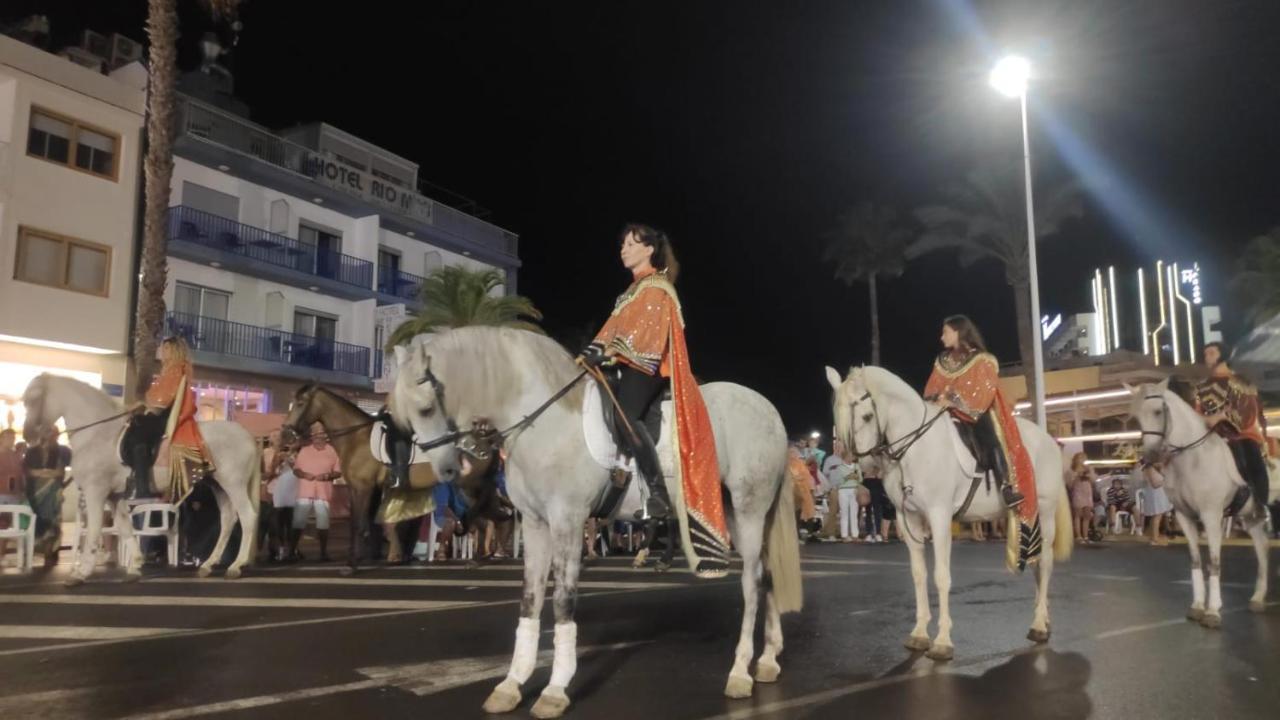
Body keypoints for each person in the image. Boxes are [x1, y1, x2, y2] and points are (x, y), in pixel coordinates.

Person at [576, 223, 730, 577]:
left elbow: (648, 333)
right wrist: (593, 351)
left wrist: (610, 350)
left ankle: (658, 495)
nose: (624, 249)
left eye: (631, 243)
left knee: (625, 417)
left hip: (644, 366)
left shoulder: (658, 287)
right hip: (622, 364)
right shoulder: (630, 292)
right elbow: (611, 329)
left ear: (649, 250)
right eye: (622, 244)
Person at [925, 315, 1040, 569]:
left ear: (958, 332)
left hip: (976, 412)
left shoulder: (983, 360)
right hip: (944, 413)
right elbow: (932, 388)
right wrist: (937, 400)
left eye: (946, 332)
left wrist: (954, 401)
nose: (941, 337)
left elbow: (983, 391)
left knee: (990, 438)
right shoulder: (942, 361)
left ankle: (1007, 486)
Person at [125, 336, 211, 499]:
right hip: (161, 414)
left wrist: (143, 405)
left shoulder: (175, 370)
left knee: (138, 433)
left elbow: (162, 401)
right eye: (163, 348)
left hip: (165, 417)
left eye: (167, 348)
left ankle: (142, 487)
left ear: (175, 351)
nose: (162, 351)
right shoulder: (170, 370)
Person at [1195, 342, 1269, 517]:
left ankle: (1260, 507)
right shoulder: (1202, 387)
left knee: (1255, 466)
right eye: (1206, 354)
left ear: (1223, 355)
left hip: (1248, 435)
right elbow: (1198, 417)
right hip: (1219, 437)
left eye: (1212, 353)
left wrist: (1263, 437)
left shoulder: (1244, 382)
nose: (1207, 357)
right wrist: (1214, 418)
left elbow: (1256, 412)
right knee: (1240, 462)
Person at [289, 423, 341, 562]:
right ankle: (291, 551)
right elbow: (296, 469)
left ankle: (323, 553)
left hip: (323, 492)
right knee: (298, 523)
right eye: (315, 434)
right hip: (304, 491)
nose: (318, 437)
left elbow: (338, 472)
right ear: (312, 437)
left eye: (320, 434)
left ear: (325, 435)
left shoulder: (333, 451)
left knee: (323, 524)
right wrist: (304, 475)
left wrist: (326, 476)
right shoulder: (304, 450)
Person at [23, 425, 71, 563]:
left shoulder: (62, 450)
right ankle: (38, 549)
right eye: (47, 433)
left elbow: (60, 471)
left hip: (54, 493)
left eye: (53, 433)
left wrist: (46, 474)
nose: (50, 436)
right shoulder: (32, 451)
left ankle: (52, 551)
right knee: (38, 520)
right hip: (36, 494)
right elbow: (28, 471)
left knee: (54, 521)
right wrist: (47, 474)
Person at [1140, 461, 1173, 546]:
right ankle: (1154, 539)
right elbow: (1155, 484)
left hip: (1157, 494)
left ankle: (1153, 537)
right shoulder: (1150, 469)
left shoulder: (1151, 469)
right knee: (1157, 516)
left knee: (1156, 516)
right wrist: (1165, 480)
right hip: (1156, 494)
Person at [1066, 452, 1096, 543]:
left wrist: (1089, 475)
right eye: (1080, 458)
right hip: (1078, 493)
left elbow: (1094, 482)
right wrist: (1076, 477)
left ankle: (1086, 536)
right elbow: (1069, 485)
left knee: (1087, 515)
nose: (1082, 460)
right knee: (1078, 515)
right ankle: (1078, 536)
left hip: (1087, 493)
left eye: (1084, 458)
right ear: (1076, 459)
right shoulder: (1071, 471)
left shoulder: (1088, 469)